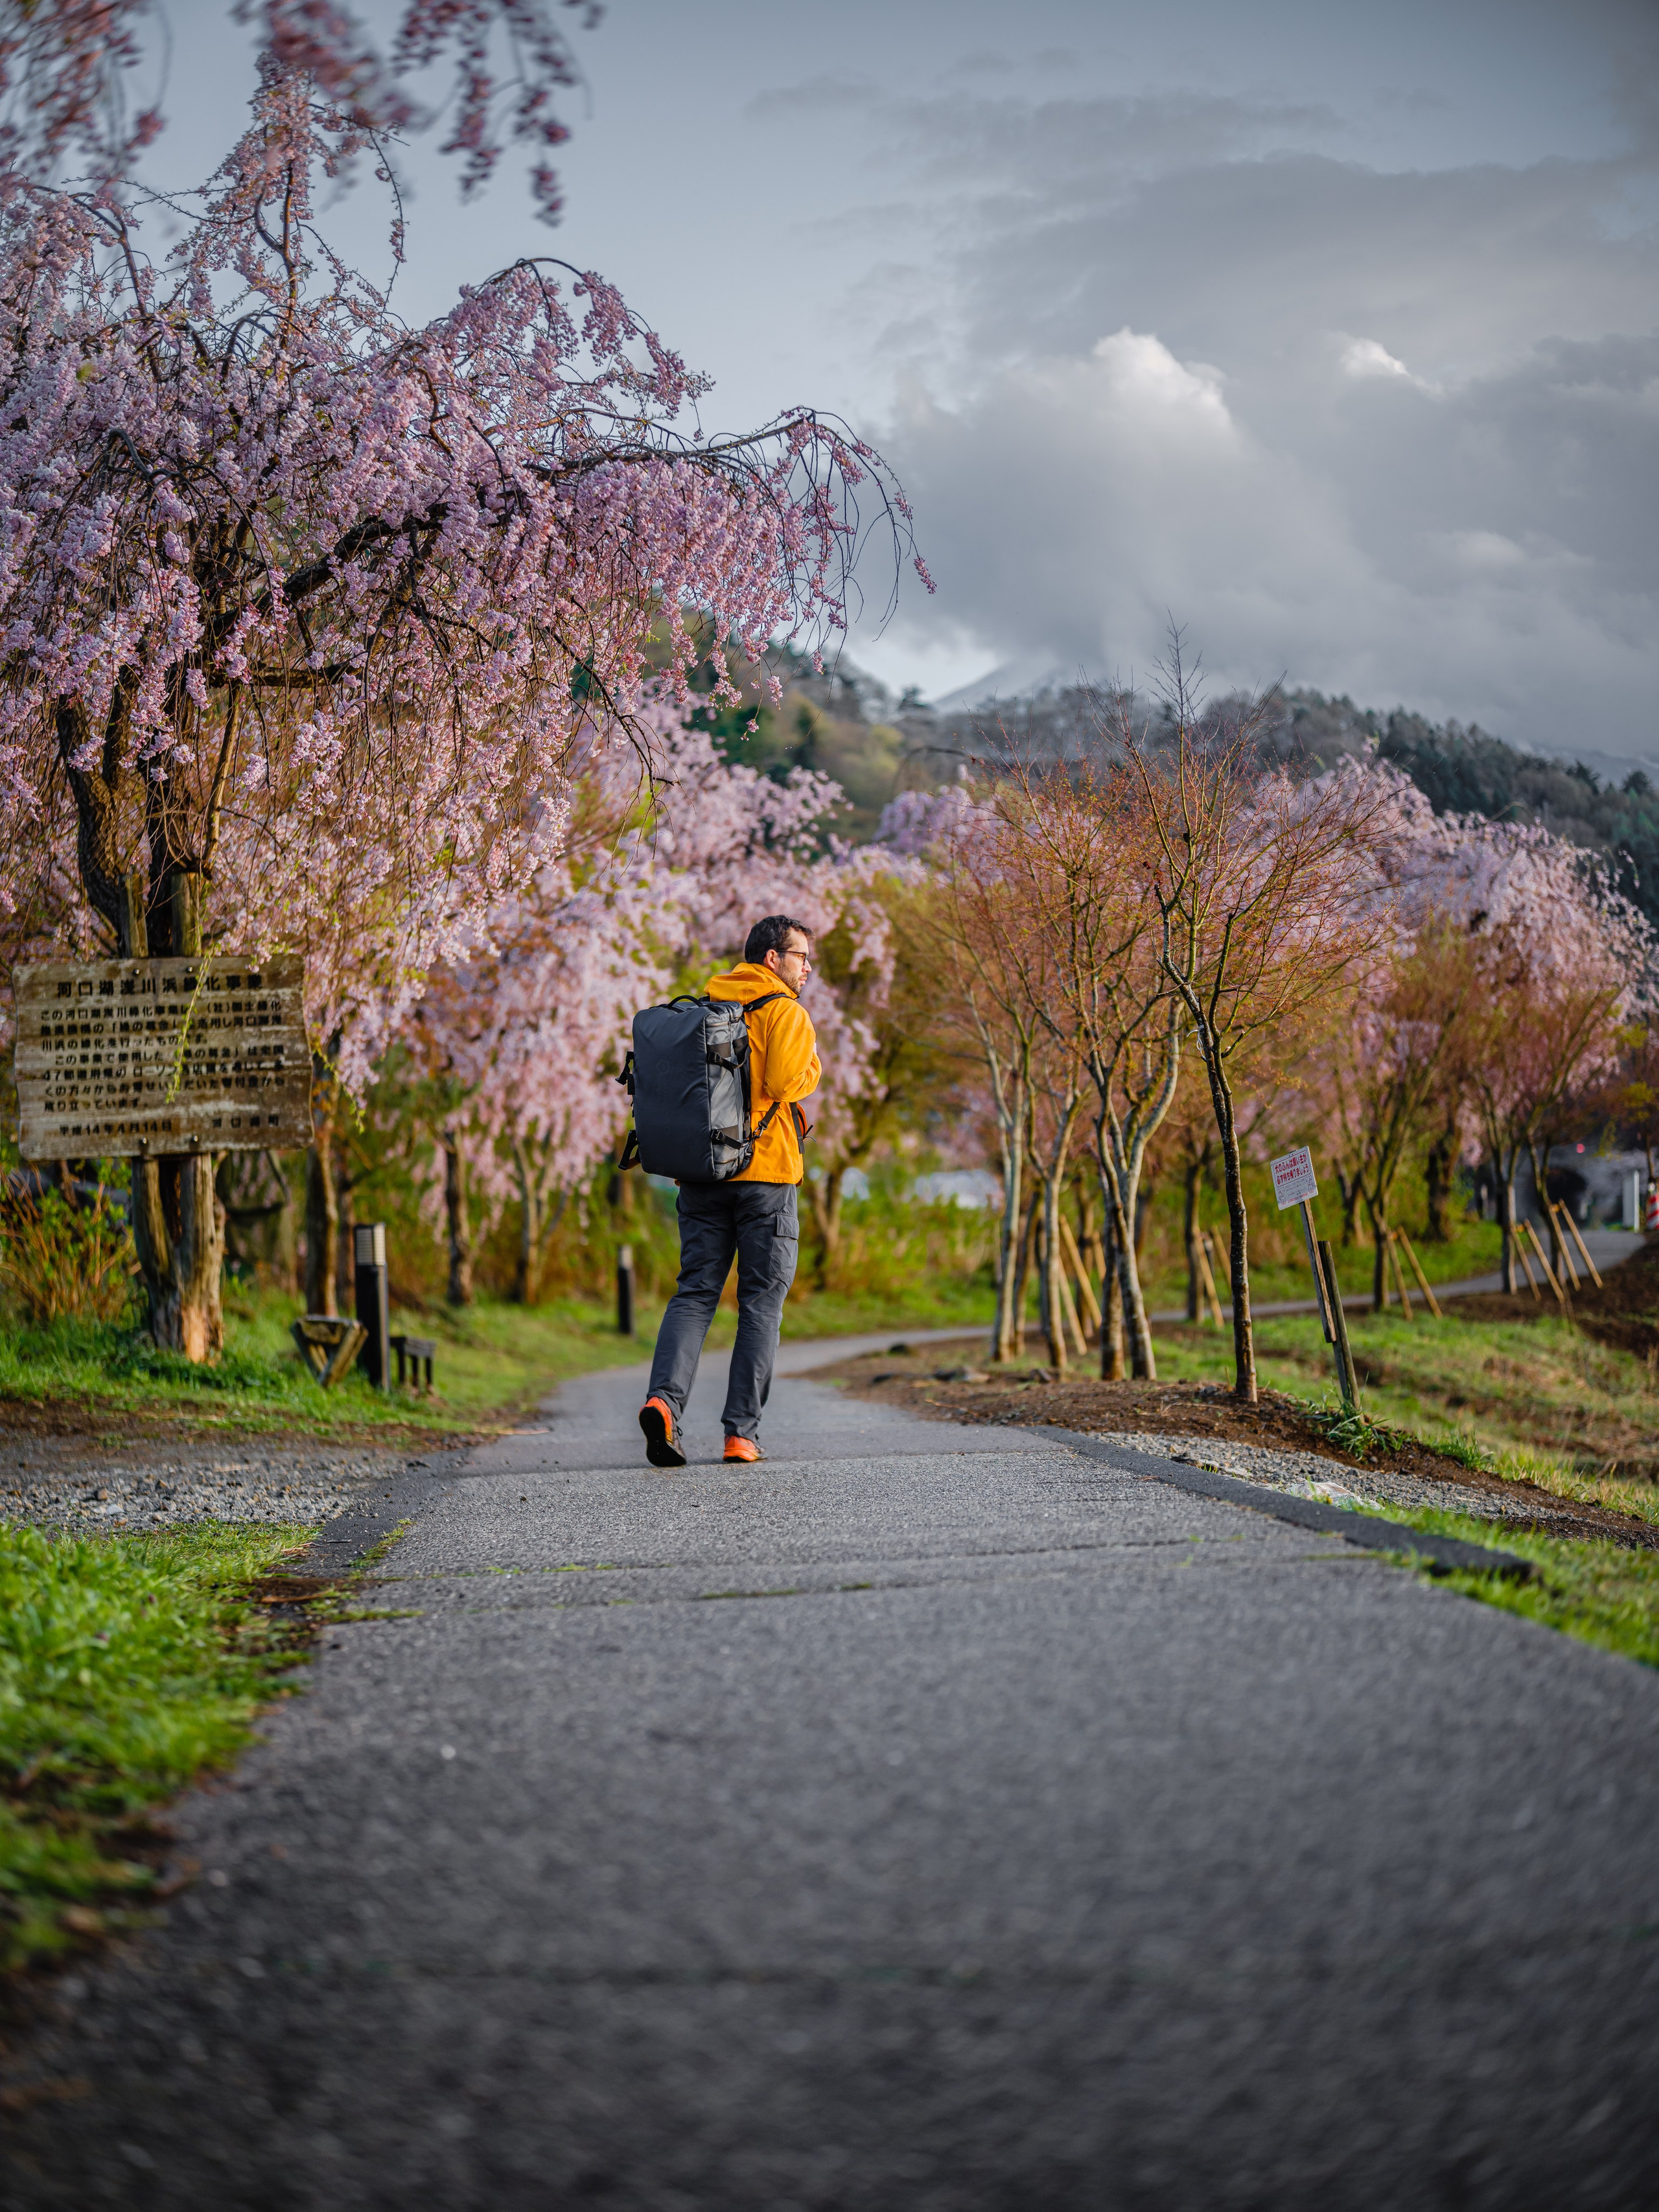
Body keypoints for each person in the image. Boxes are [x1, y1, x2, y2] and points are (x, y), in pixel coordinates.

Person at [638, 916, 820, 1467]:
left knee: (694, 1293)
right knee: (760, 1302)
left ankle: (663, 1403)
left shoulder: (706, 1007)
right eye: (801, 956)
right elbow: (789, 1082)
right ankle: (740, 1433)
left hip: (704, 1174)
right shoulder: (785, 1010)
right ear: (772, 958)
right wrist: (813, 1063)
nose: (807, 967)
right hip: (766, 1178)